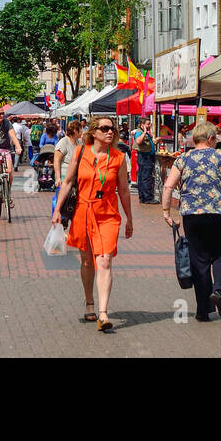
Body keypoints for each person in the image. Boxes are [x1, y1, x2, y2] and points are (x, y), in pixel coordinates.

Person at [51, 115, 134, 333]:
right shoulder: (80, 152)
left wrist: (129, 218)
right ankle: (90, 302)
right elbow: (68, 182)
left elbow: (124, 190)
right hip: (83, 211)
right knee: (87, 261)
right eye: (105, 128)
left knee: (105, 260)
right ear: (93, 132)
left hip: (107, 214)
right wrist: (58, 210)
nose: (110, 132)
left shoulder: (118, 157)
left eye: (112, 129)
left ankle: (104, 312)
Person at [161, 120, 221, 321]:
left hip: (191, 215)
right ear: (210, 139)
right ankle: (218, 291)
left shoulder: (183, 159)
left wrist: (166, 211)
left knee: (199, 261)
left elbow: (168, 187)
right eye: (216, 138)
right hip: (218, 214)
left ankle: (203, 310)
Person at [50, 120, 82, 216]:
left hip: (77, 178)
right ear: (75, 131)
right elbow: (57, 161)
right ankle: (61, 222)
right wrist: (58, 178)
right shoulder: (63, 142)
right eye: (80, 129)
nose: (82, 132)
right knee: (64, 201)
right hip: (65, 177)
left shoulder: (79, 142)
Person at [133, 118, 158, 204]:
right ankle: (147, 198)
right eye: (148, 124)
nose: (149, 126)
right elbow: (139, 141)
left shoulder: (145, 133)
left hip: (146, 157)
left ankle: (143, 197)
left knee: (143, 177)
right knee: (146, 177)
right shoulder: (139, 132)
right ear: (142, 125)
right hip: (145, 157)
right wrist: (144, 132)